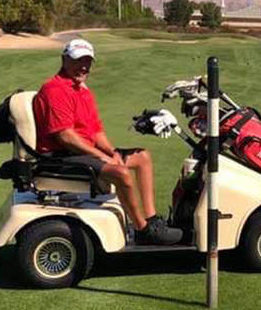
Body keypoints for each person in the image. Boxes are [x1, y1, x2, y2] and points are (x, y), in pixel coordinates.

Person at [32, 38, 183, 246]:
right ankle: (142, 230)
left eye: (87, 61)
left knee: (142, 158)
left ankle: (151, 219)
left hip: (82, 152)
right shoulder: (55, 89)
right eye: (78, 60)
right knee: (121, 174)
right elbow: (66, 137)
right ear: (64, 59)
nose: (83, 66)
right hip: (60, 156)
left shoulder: (82, 91)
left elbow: (95, 133)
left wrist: (112, 153)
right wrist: (103, 158)